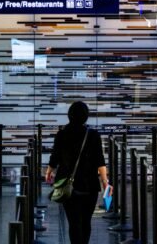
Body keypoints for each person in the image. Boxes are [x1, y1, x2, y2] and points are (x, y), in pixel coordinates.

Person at [45, 101, 111, 244]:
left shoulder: (62, 134)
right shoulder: (93, 135)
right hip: (90, 185)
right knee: (86, 222)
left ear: (70, 115)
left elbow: (55, 157)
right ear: (86, 116)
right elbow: (100, 161)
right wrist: (105, 182)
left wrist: (48, 172)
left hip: (68, 185)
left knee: (74, 223)